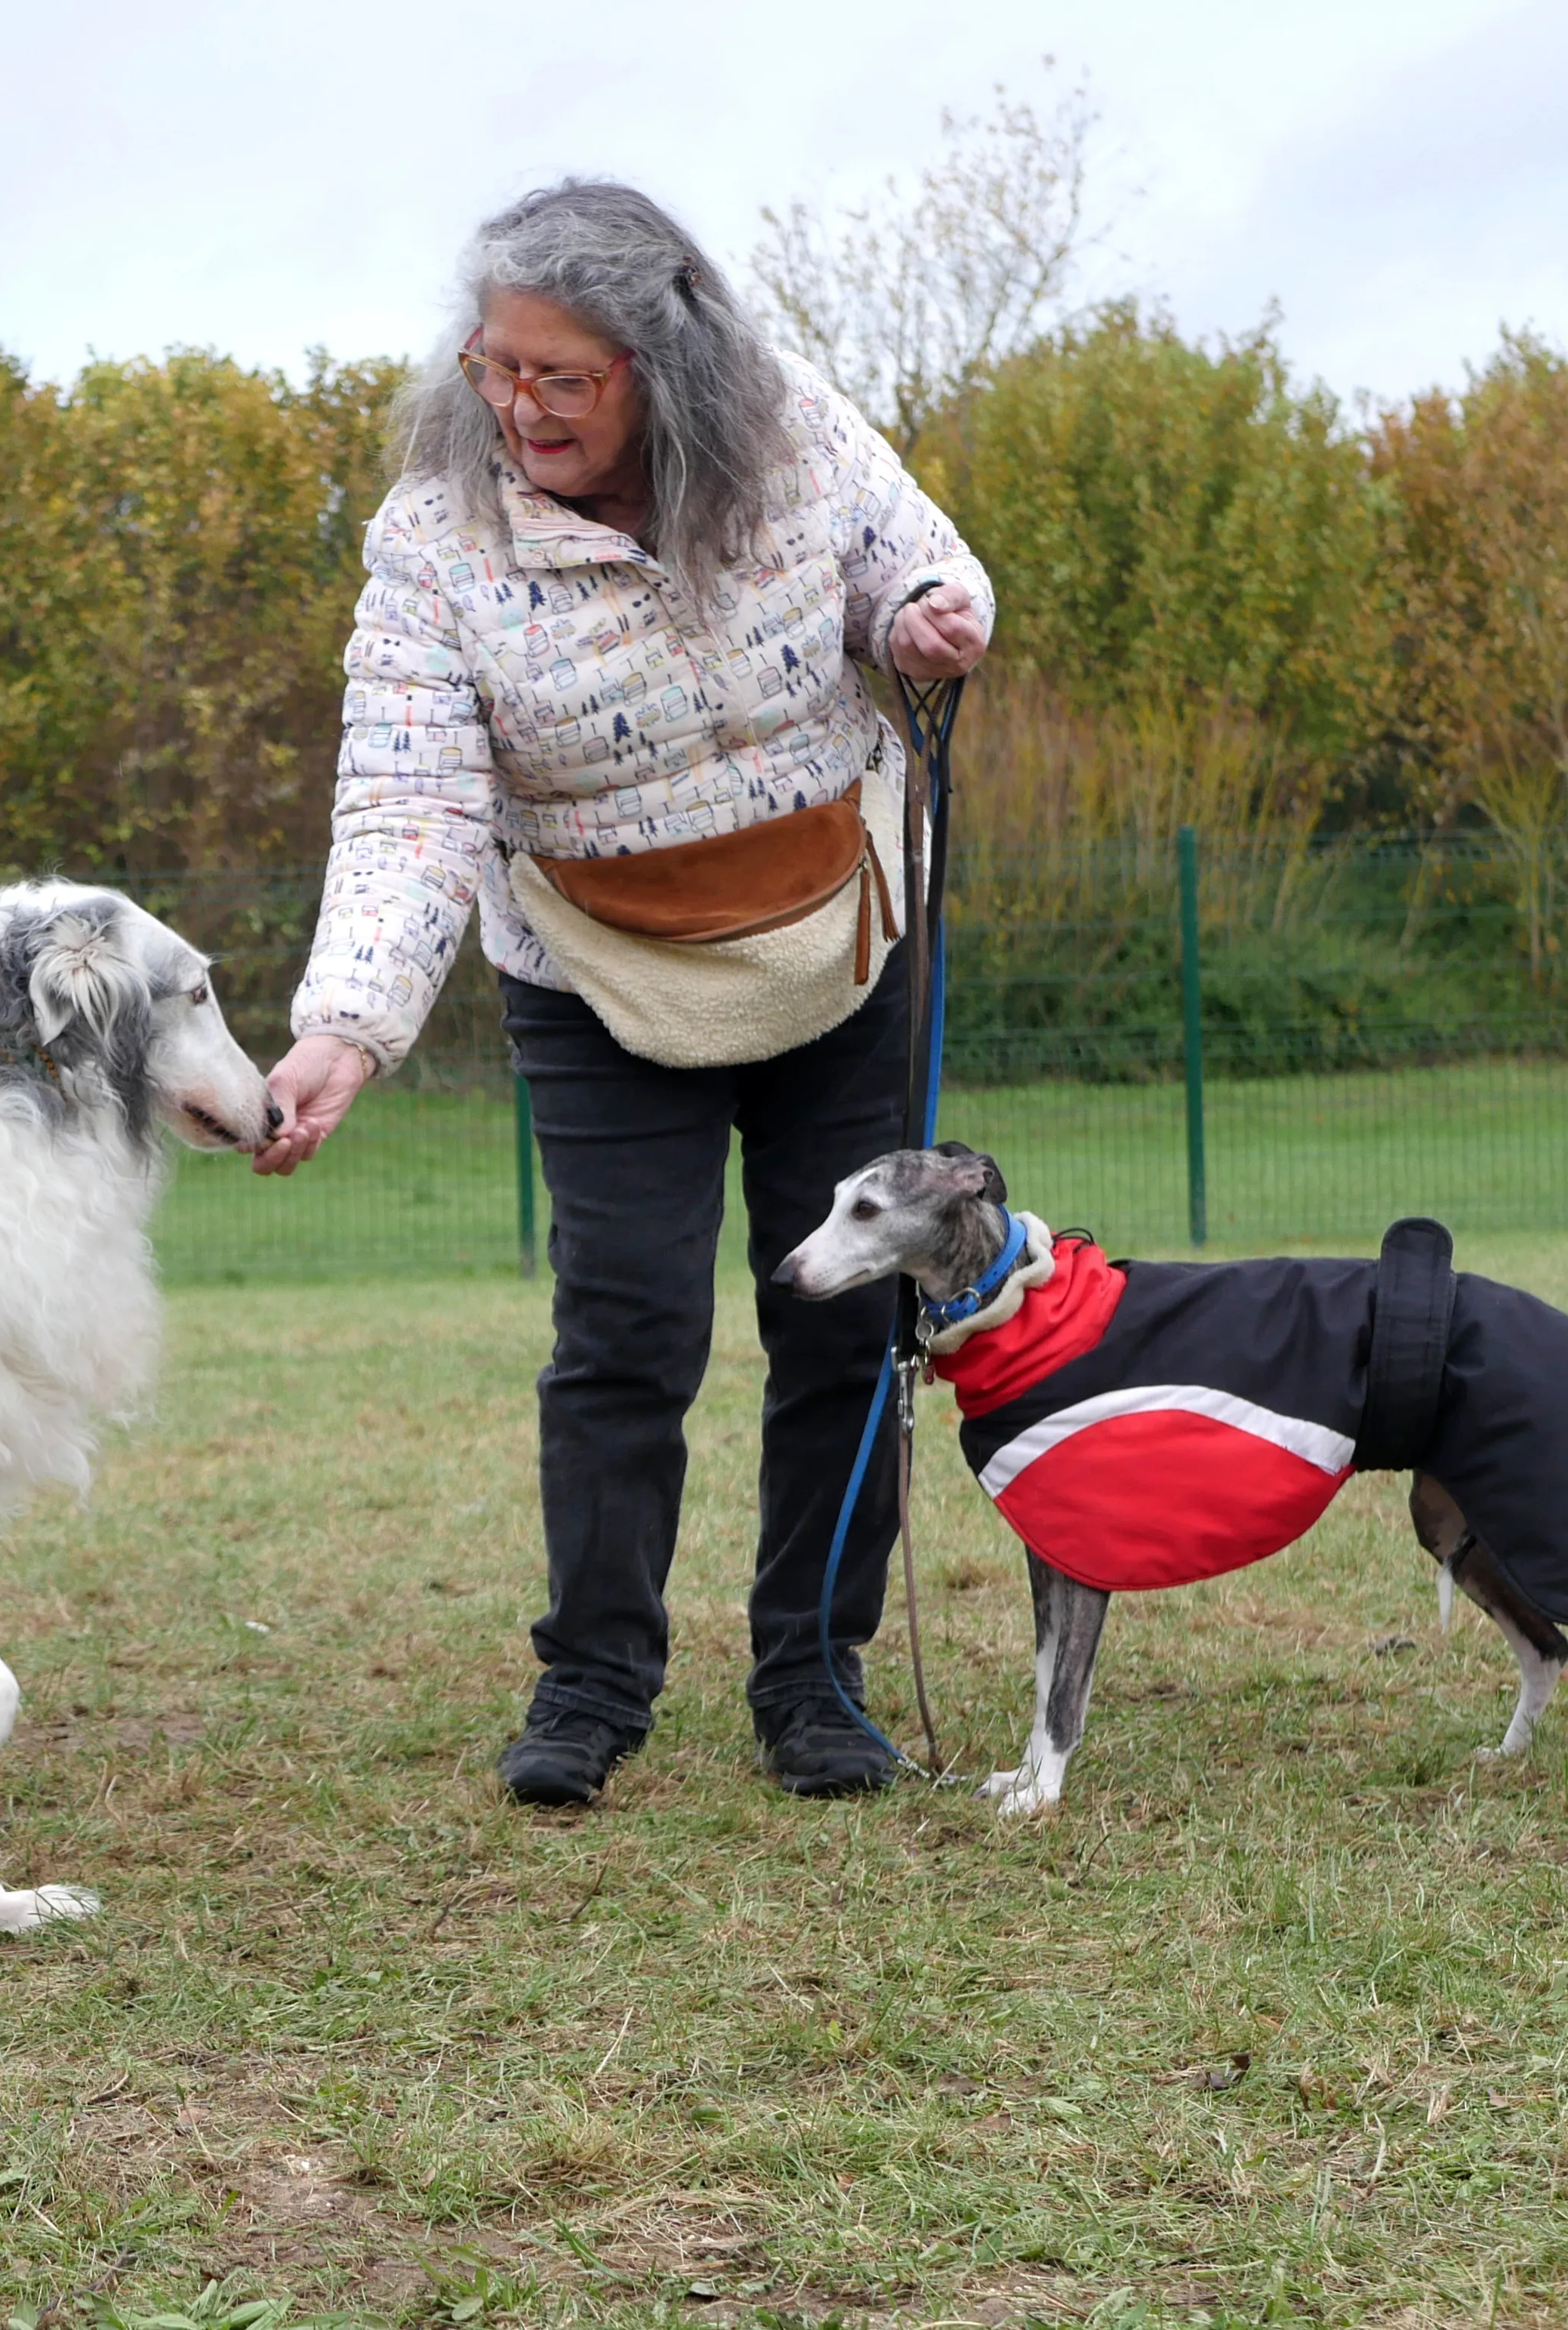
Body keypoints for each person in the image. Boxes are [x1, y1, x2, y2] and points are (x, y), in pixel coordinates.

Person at [251, 179, 993, 1806]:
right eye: (494, 369)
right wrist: (346, 1028)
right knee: (625, 1333)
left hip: (838, 945)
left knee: (842, 1314)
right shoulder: (431, 540)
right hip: (594, 978)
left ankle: (813, 1677)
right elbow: (407, 800)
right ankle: (590, 1687)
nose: (516, 406)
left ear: (661, 364)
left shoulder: (786, 434)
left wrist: (927, 620)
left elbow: (915, 566)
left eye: (558, 378)